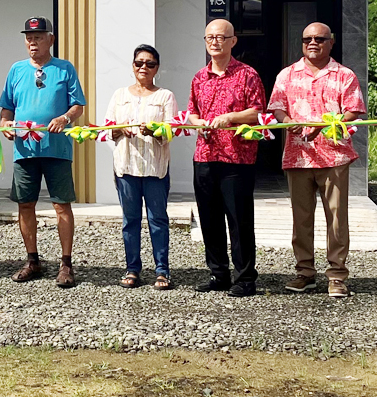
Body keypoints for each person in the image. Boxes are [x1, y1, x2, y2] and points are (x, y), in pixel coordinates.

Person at [268, 22, 366, 298]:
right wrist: (287, 122)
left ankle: (336, 275)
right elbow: (276, 107)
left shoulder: (344, 75)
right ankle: (304, 272)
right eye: (307, 39)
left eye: (319, 39)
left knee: (336, 218)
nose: (313, 43)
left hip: (334, 155)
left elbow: (353, 111)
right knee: (301, 218)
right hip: (298, 155)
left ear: (331, 43)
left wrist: (323, 125)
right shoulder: (287, 75)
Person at [0, 16, 86, 288]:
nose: (32, 41)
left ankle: (66, 263)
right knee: (25, 204)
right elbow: (7, 107)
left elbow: (78, 106)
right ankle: (32, 260)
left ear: (51, 39)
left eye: (38, 36)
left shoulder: (64, 69)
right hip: (25, 150)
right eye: (28, 37)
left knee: (61, 204)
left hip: (57, 149)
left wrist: (65, 118)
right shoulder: (16, 70)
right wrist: (5, 124)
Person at [186, 20, 267, 296]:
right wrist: (198, 123)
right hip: (205, 155)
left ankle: (245, 277)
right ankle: (218, 272)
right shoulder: (199, 77)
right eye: (210, 37)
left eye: (221, 37)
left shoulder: (248, 75)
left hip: (237, 158)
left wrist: (231, 117)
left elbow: (259, 112)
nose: (215, 42)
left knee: (239, 219)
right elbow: (192, 112)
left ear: (233, 41)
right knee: (208, 218)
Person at [105, 44, 177, 290]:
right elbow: (107, 130)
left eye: (150, 64)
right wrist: (118, 128)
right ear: (132, 66)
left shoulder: (165, 96)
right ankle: (132, 268)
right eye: (139, 63)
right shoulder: (119, 95)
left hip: (155, 168)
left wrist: (156, 131)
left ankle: (162, 270)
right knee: (130, 220)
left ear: (157, 67)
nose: (144, 67)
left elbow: (171, 130)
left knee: (158, 219)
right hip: (126, 166)